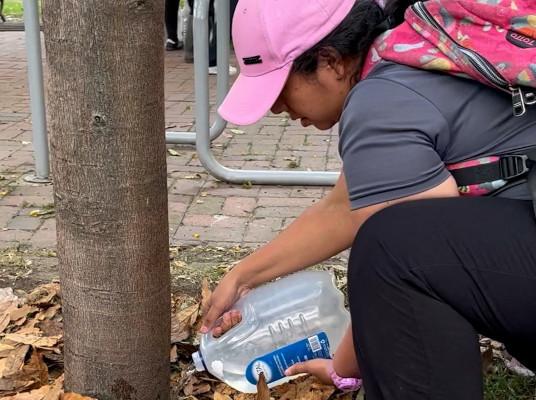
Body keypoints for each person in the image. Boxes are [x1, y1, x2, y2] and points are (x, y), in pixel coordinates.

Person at [199, 0, 536, 399]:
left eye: (279, 85)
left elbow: (409, 252)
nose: (275, 106)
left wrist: (342, 367)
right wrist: (243, 275)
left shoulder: (379, 101)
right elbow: (341, 209)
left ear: (330, 61)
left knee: (388, 253)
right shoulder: (407, 57)